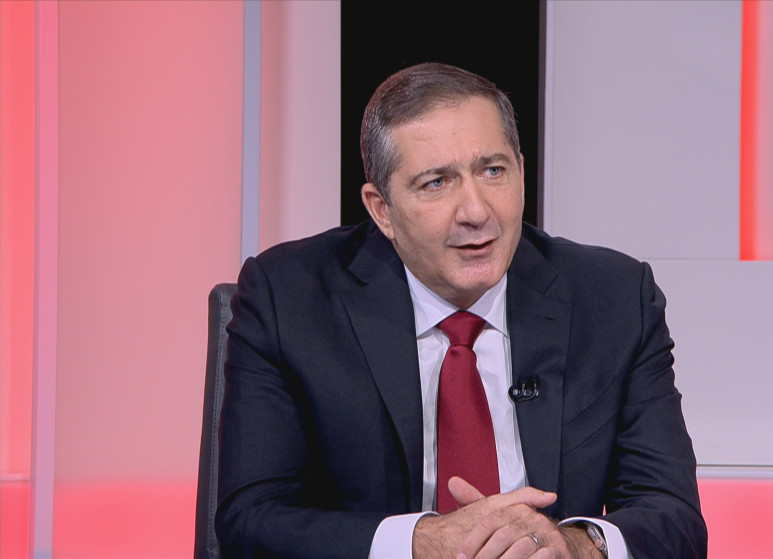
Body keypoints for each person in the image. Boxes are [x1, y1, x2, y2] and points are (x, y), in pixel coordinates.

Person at [216, 62, 707, 559]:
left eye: (493, 171)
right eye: (437, 182)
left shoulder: (613, 299)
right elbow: (251, 520)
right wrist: (422, 543)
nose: (476, 211)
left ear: (521, 171)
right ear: (382, 209)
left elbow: (673, 518)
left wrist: (575, 546)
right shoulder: (289, 299)